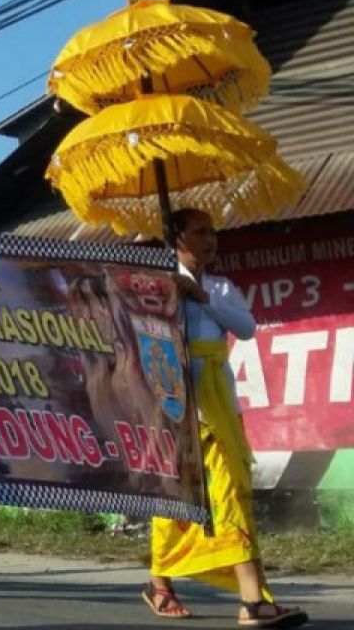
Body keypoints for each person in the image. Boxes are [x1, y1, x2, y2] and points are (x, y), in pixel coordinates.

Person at [144, 209, 307, 628]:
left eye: (213, 231)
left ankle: (249, 599)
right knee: (180, 494)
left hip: (220, 401)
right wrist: (168, 300)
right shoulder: (155, 283)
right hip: (179, 403)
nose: (211, 239)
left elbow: (247, 328)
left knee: (231, 489)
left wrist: (200, 298)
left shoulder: (220, 287)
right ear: (177, 237)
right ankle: (238, 598)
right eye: (200, 232)